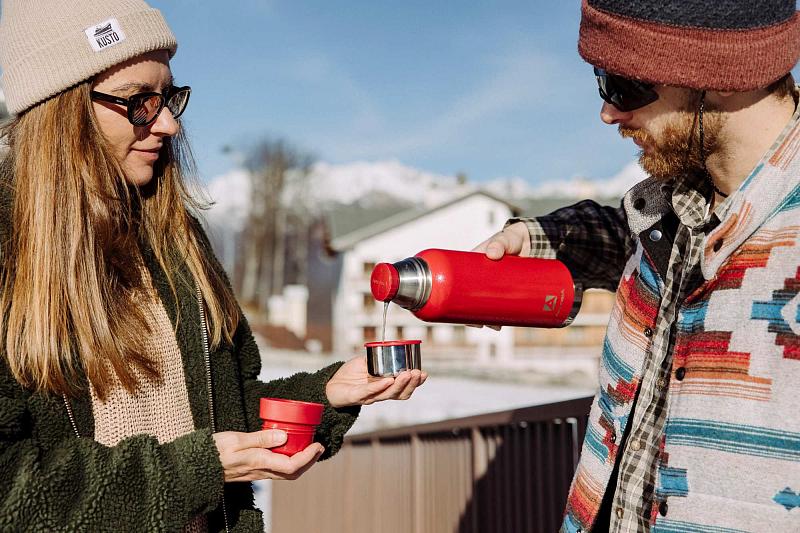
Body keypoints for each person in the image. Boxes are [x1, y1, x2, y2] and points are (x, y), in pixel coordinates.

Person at [0, 1, 426, 531]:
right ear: (61, 110)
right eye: (138, 101)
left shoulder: (179, 241)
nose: (169, 124)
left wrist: (327, 394)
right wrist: (191, 472)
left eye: (170, 97)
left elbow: (220, 415)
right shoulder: (8, 252)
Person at [476, 1, 800, 532]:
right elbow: (628, 235)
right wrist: (543, 237)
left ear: (718, 71)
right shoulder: (671, 215)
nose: (608, 113)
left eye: (623, 83)